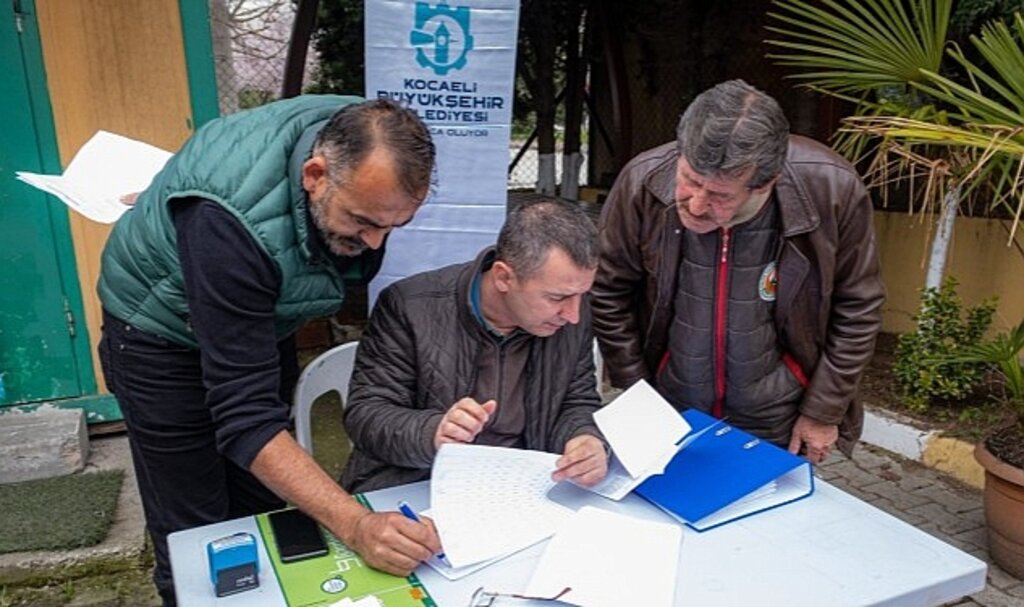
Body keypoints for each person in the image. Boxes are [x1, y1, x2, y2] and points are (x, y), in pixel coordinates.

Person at [96, 96, 441, 605]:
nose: (374, 242)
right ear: (315, 174)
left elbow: (255, 428)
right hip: (158, 334)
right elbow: (247, 417)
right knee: (194, 528)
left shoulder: (371, 136)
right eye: (362, 221)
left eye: (391, 227)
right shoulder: (227, 224)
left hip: (258, 312)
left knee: (260, 502)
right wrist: (355, 523)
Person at [592, 79, 885, 465]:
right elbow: (608, 291)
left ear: (767, 183)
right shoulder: (641, 181)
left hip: (780, 414)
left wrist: (823, 411)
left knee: (770, 520)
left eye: (720, 196)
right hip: (669, 405)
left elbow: (859, 306)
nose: (696, 205)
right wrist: (638, 395)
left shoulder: (833, 188)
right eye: (690, 180)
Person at [340, 199, 609, 494]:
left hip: (525, 489)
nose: (574, 315)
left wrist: (584, 438)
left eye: (582, 294)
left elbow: (576, 401)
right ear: (503, 277)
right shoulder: (410, 307)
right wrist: (433, 431)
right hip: (419, 484)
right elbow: (366, 415)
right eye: (557, 298)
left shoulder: (571, 316)